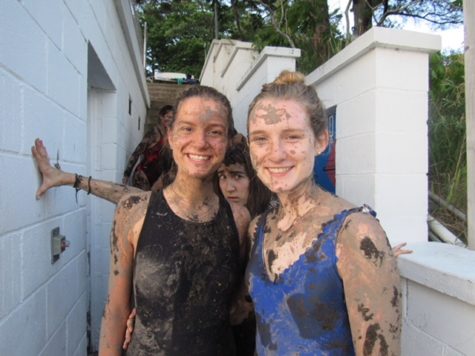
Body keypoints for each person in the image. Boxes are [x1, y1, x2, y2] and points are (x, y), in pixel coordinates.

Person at [245, 71, 401, 355]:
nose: (275, 153)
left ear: (320, 141)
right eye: (260, 139)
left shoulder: (354, 233)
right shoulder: (258, 228)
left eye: (292, 136)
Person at [122, 104, 174, 190]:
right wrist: (127, 174)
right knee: (142, 201)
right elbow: (137, 151)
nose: (169, 120)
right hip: (143, 175)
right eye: (167, 116)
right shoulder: (154, 133)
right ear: (161, 117)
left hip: (158, 179)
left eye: (172, 117)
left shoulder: (171, 137)